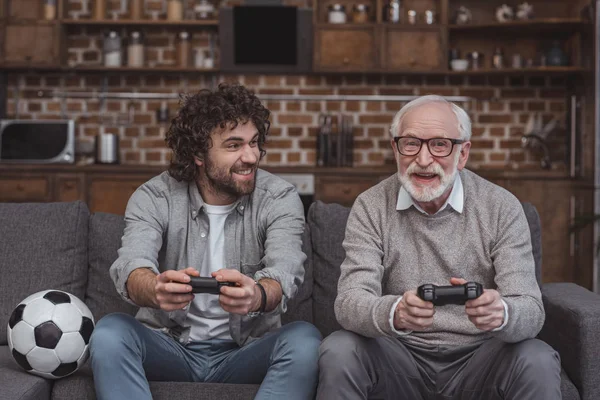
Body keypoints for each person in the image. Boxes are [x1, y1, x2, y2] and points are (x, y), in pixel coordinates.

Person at [317, 95, 561, 400]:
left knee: (537, 358)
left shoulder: (501, 207)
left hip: (481, 359)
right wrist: (394, 312)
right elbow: (349, 301)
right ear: (395, 149)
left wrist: (502, 313)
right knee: (340, 349)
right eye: (410, 143)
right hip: (400, 357)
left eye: (440, 144)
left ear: (462, 153)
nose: (423, 159)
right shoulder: (370, 206)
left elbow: (531, 310)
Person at [89, 83, 321, 400]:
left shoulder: (279, 197)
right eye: (234, 145)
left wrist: (256, 295)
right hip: (169, 347)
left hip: (246, 352)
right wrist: (155, 290)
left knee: (304, 339)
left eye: (254, 143)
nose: (251, 156)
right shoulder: (154, 196)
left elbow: (286, 271)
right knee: (110, 332)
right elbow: (132, 266)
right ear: (198, 153)